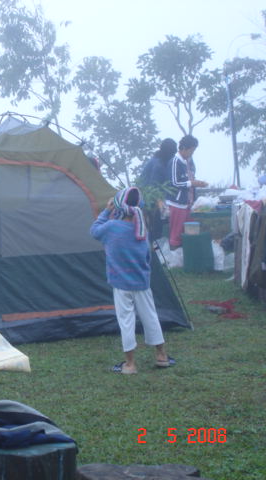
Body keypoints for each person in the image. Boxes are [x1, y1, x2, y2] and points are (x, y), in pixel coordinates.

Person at [90, 187, 174, 374]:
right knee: (150, 317)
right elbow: (147, 256)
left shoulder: (111, 227)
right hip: (141, 282)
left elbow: (94, 231)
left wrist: (106, 211)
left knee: (126, 321)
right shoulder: (141, 229)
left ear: (118, 206)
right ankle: (161, 355)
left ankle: (130, 364)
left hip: (121, 284)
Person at [165, 135, 208, 250]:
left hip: (187, 203)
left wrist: (196, 183)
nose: (192, 154)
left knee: (189, 231)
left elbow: (189, 179)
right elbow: (174, 182)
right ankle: (174, 254)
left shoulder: (187, 162)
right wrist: (192, 183)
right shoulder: (175, 162)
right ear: (184, 148)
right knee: (176, 234)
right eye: (191, 151)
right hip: (176, 203)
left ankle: (187, 253)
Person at [137, 138, 178, 241]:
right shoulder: (158, 164)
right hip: (150, 198)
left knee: (158, 226)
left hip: (154, 197)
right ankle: (156, 246)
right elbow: (153, 187)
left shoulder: (162, 160)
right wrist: (159, 201)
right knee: (155, 227)